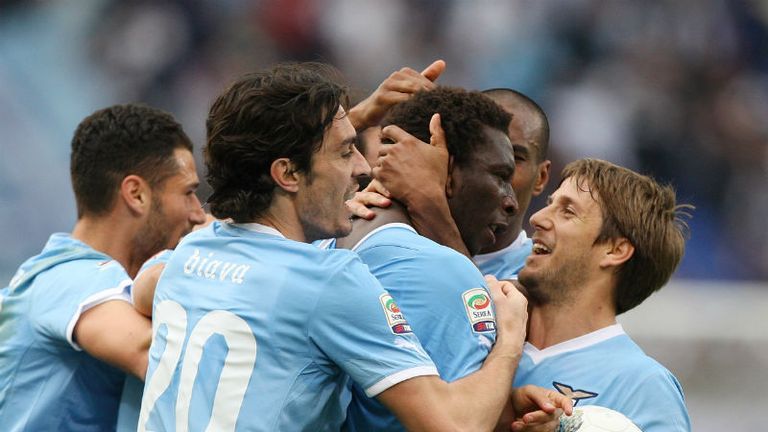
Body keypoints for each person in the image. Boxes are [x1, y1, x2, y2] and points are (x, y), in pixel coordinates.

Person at [137, 62, 533, 432]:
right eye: (345, 151)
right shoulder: (329, 280)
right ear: (287, 173)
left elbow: (143, 290)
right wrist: (510, 337)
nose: (364, 168)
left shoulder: (190, 253)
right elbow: (454, 424)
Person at [334, 87, 570, 432]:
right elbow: (455, 425)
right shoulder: (439, 271)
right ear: (444, 168)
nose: (511, 201)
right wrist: (507, 346)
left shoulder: (322, 234)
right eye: (499, 175)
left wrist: (430, 200)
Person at [0, 104, 207, 431]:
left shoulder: (69, 276)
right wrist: (221, 251)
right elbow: (155, 354)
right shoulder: (67, 277)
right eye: (189, 193)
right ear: (136, 194)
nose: (198, 213)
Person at [512, 159, 692, 432]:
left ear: (615, 250)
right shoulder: (485, 339)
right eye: (550, 203)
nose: (537, 218)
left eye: (567, 211)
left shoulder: (643, 385)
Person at [473, 89, 552, 280]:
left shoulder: (543, 280)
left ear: (541, 177)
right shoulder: (398, 238)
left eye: (516, 157)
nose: (499, 166)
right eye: (482, 149)